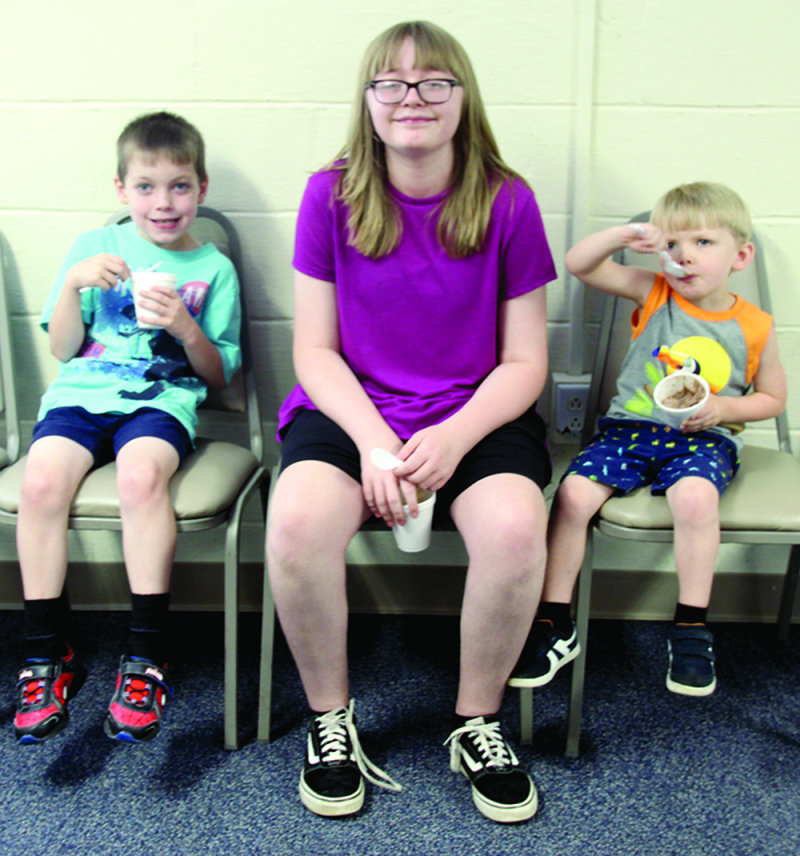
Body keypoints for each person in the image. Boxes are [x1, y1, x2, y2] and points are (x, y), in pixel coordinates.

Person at [266, 20, 555, 823]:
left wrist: (455, 435)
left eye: (434, 82)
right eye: (390, 83)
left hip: (476, 411)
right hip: (355, 407)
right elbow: (314, 353)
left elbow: (526, 363)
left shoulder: (509, 199)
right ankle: (331, 720)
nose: (412, 98)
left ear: (464, 98)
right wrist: (373, 443)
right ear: (368, 101)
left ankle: (477, 722)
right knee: (293, 523)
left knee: (513, 529)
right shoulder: (330, 193)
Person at [13, 111, 241, 745]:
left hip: (160, 401)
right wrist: (71, 289)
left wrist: (185, 327)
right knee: (40, 485)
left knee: (142, 478)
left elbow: (218, 373)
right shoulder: (93, 248)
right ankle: (45, 654)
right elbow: (62, 349)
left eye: (178, 186)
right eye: (145, 187)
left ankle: (146, 654)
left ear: (200, 189)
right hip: (81, 395)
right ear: (121, 190)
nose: (162, 203)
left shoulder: (213, 267)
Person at [509, 182, 786, 698]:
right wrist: (625, 235)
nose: (685, 257)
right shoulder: (653, 290)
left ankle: (690, 625)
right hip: (629, 433)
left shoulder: (755, 325)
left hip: (702, 439)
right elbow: (580, 264)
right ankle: (554, 620)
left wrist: (726, 408)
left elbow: (772, 398)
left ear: (741, 255)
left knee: (695, 497)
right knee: (573, 495)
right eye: (673, 245)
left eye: (703, 243)